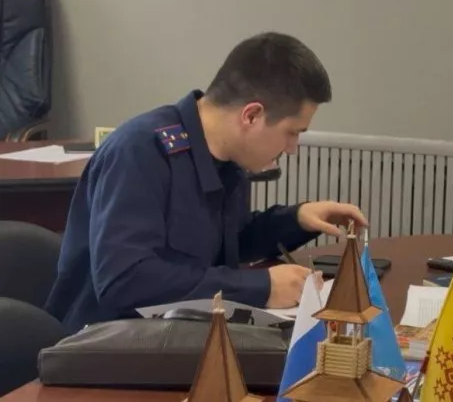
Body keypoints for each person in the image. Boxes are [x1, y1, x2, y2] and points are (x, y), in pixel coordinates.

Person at [45, 32, 367, 333]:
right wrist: (263, 287)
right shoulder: (140, 152)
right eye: (292, 132)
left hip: (175, 333)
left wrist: (296, 219)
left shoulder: (225, 158)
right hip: (102, 346)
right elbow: (125, 282)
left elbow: (227, 243)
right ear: (251, 116)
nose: (292, 148)